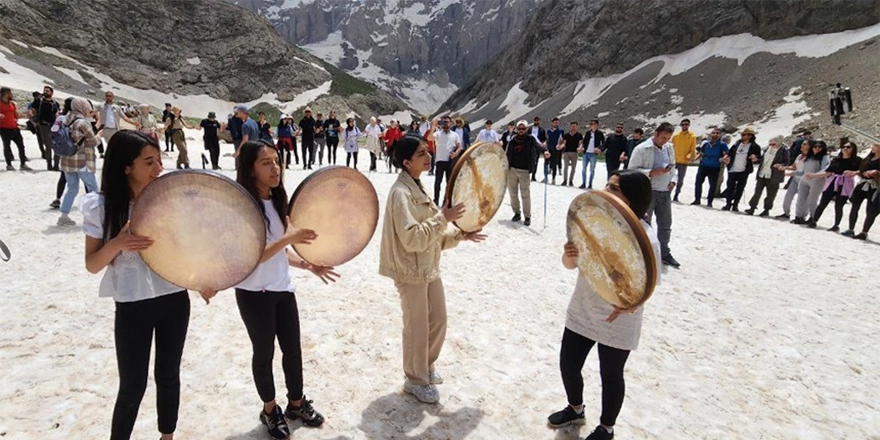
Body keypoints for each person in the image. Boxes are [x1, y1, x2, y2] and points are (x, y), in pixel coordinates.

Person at [82, 130, 214, 440]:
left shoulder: (168, 202)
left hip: (174, 300)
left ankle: (166, 437)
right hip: (131, 305)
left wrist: (200, 282)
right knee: (132, 385)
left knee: (168, 376)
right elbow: (92, 265)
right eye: (149, 162)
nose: (159, 169)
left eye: (159, 160)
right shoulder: (101, 207)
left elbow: (183, 254)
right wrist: (118, 244)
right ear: (126, 167)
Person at [234, 140, 336, 439]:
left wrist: (308, 266)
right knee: (264, 352)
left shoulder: (279, 202)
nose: (275, 168)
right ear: (250, 169)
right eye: (266, 163)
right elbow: (253, 255)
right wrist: (288, 238)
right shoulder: (243, 207)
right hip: (254, 293)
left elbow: (278, 253)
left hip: (283, 289)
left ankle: (296, 402)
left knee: (293, 349)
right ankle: (269, 409)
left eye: (277, 161)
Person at [548, 169, 660, 440]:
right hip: (584, 308)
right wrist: (569, 255)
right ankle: (575, 409)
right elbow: (570, 266)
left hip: (617, 316)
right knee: (568, 365)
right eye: (607, 186)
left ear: (633, 198)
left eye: (614, 189)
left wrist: (632, 305)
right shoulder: (593, 222)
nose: (605, 192)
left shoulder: (646, 237)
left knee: (610, 375)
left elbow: (649, 283)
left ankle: (607, 428)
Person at [378, 135, 485, 404]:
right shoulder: (400, 193)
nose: (428, 156)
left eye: (428, 151)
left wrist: (461, 234)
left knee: (438, 319)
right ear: (406, 162)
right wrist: (443, 218)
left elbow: (434, 235)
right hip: (409, 269)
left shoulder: (418, 186)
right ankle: (415, 379)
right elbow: (413, 238)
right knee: (416, 326)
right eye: (421, 154)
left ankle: (425, 365)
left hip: (427, 266)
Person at [626, 122, 679, 268]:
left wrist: (673, 180)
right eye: (663, 138)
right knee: (645, 225)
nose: (665, 141)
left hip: (665, 192)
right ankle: (644, 253)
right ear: (655, 134)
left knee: (665, 224)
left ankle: (664, 253)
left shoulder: (669, 148)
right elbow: (631, 170)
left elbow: (673, 166)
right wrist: (651, 172)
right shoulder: (642, 149)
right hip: (647, 192)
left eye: (668, 138)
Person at [56, 98, 101, 226]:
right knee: (93, 190)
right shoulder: (82, 123)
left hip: (67, 161)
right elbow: (93, 142)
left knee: (71, 189)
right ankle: (96, 217)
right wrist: (99, 135)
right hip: (83, 161)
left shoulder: (64, 119)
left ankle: (64, 216)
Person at [809, 141, 861, 230]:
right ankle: (814, 220)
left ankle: (836, 225)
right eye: (844, 147)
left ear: (853, 149)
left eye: (848, 147)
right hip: (833, 181)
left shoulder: (857, 160)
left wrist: (854, 172)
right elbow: (828, 171)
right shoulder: (837, 159)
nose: (845, 148)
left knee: (839, 205)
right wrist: (814, 175)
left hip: (845, 183)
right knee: (823, 202)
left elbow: (862, 171)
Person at [507, 120, 543, 226]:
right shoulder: (513, 140)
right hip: (512, 170)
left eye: (523, 128)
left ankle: (527, 216)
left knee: (525, 194)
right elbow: (507, 153)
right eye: (519, 128)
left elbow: (538, 146)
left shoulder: (530, 139)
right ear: (517, 129)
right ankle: (517, 213)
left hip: (524, 171)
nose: (521, 130)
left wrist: (545, 151)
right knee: (513, 194)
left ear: (527, 129)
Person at [743, 136, 789, 216]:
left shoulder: (783, 150)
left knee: (771, 194)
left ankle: (766, 209)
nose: (771, 146)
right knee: (757, 192)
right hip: (762, 173)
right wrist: (756, 159)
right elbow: (762, 159)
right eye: (770, 144)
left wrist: (780, 165)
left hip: (774, 175)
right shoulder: (767, 149)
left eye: (773, 144)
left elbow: (787, 162)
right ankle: (752, 207)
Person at [843, 143, 880, 240]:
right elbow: (862, 170)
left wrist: (876, 173)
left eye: (875, 146)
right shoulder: (868, 159)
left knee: (871, 210)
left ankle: (864, 232)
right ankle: (850, 229)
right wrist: (855, 172)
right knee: (855, 206)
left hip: (874, 186)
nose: (872, 147)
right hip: (862, 184)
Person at [721, 128, 762, 212]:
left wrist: (755, 158)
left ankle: (735, 205)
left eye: (744, 135)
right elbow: (730, 153)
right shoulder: (737, 144)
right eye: (742, 135)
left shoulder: (755, 146)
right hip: (733, 168)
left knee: (740, 188)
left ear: (750, 136)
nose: (742, 136)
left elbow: (759, 158)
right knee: (730, 187)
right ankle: (728, 204)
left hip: (744, 170)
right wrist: (726, 157)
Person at [792, 140, 831, 225]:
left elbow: (826, 168)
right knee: (800, 198)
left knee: (812, 200)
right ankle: (799, 216)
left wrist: (815, 175)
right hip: (804, 179)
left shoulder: (824, 157)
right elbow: (801, 168)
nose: (817, 148)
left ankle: (813, 218)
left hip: (817, 180)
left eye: (819, 147)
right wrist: (793, 173)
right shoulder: (809, 156)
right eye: (815, 146)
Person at [691, 128, 729, 207]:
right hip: (703, 166)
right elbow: (701, 154)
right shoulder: (706, 144)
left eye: (717, 133)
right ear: (711, 134)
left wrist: (723, 158)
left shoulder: (722, 145)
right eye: (714, 133)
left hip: (714, 167)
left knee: (712, 185)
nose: (715, 135)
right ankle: (697, 199)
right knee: (698, 183)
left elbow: (726, 154)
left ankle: (709, 202)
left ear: (720, 135)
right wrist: (694, 159)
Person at [775, 141, 811, 221]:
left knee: (802, 200)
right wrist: (784, 167)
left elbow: (806, 171)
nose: (802, 145)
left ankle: (802, 216)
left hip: (804, 181)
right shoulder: (799, 156)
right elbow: (794, 167)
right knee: (788, 196)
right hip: (795, 179)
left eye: (805, 144)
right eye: (802, 144)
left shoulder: (811, 158)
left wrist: (793, 173)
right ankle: (786, 213)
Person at [432, 116, 462, 206]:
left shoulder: (455, 135)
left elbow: (459, 146)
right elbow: (429, 138)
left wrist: (455, 154)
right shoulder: (437, 133)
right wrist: (433, 127)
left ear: (450, 123)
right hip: (440, 160)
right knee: (438, 182)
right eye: (444, 122)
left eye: (447, 122)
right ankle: (436, 200)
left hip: (450, 161)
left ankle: (447, 201)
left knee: (449, 183)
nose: (446, 124)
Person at [97, 91, 138, 157]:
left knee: (115, 144)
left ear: (113, 97)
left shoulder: (117, 107)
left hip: (115, 129)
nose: (108, 97)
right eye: (107, 96)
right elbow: (94, 112)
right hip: (106, 128)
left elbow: (124, 117)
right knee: (109, 144)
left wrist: (133, 123)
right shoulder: (100, 106)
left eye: (110, 96)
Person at [0, 87, 31, 171]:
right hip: (4, 128)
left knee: (21, 146)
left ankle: (23, 163)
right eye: (9, 93)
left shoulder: (12, 104)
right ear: (4, 94)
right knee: (7, 146)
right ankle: (9, 164)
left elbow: (15, 114)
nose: (11, 95)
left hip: (14, 127)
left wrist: (21, 115)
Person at [30, 85, 60, 170]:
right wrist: (35, 117)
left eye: (47, 91)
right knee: (48, 145)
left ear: (51, 93)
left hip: (54, 125)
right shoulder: (39, 102)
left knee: (57, 145)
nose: (45, 92)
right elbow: (32, 108)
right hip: (43, 126)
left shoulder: (55, 103)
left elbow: (57, 112)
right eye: (45, 90)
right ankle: (49, 163)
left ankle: (56, 164)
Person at [671, 119, 697, 202]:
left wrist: (689, 156)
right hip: (674, 161)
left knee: (680, 179)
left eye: (686, 124)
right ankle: (667, 192)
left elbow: (692, 149)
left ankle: (676, 194)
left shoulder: (692, 136)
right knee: (669, 177)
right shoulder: (676, 136)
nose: (684, 126)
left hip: (683, 161)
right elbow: (671, 148)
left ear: (689, 125)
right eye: (683, 124)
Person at [579, 119, 604, 189]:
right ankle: (583, 183)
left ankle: (590, 184)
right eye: (590, 124)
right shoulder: (588, 133)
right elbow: (584, 142)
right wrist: (582, 147)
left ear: (596, 125)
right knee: (583, 169)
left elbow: (603, 143)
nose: (591, 125)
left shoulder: (600, 133)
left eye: (592, 124)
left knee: (592, 169)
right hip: (586, 153)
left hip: (593, 154)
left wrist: (599, 149)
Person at [561, 121, 583, 187]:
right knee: (565, 167)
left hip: (575, 152)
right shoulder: (566, 135)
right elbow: (564, 143)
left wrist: (579, 148)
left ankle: (571, 180)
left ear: (577, 127)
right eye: (572, 126)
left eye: (574, 126)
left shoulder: (579, 135)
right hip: (567, 152)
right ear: (570, 127)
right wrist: (561, 146)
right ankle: (565, 180)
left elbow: (580, 143)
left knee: (573, 168)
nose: (573, 128)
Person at [544, 118, 565, 184]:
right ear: (552, 123)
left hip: (556, 150)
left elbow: (562, 140)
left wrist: (561, 146)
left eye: (557, 122)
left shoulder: (561, 131)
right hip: (549, 149)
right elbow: (547, 139)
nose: (556, 124)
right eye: (555, 122)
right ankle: (546, 177)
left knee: (554, 164)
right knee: (546, 163)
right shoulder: (549, 131)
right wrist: (545, 146)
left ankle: (553, 179)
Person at [529, 117, 546, 181]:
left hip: (537, 147)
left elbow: (544, 139)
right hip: (530, 146)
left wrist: (543, 144)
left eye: (537, 121)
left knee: (536, 162)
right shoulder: (529, 129)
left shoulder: (542, 130)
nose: (536, 122)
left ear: (539, 121)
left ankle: (533, 176)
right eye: (535, 120)